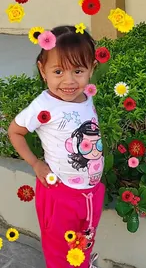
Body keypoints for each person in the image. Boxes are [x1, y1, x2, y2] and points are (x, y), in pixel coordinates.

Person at [8, 25, 105, 268]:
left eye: (78, 70)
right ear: (43, 70)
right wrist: (35, 163)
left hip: (90, 193)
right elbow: (15, 131)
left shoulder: (86, 96)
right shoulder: (43, 106)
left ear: (92, 68)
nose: (69, 81)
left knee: (83, 245)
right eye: (58, 71)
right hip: (60, 195)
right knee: (60, 254)